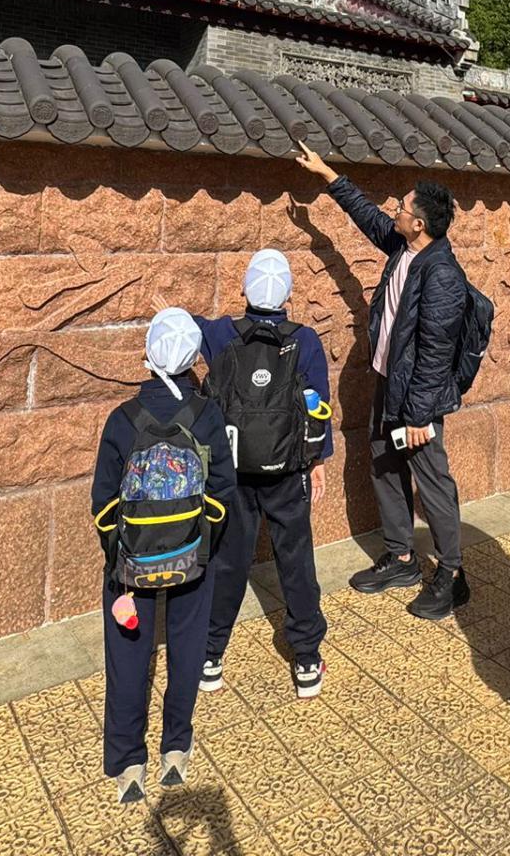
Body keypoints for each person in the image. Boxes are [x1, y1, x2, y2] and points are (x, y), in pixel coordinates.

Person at [292, 140, 471, 620]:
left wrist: (419, 416)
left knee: (432, 483)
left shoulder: (442, 275)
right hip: (389, 383)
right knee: (385, 466)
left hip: (417, 400)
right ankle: (402, 558)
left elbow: (436, 352)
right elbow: (369, 217)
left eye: (403, 207)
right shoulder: (403, 247)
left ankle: (452, 574)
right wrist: (327, 174)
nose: (396, 210)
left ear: (420, 224)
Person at [91, 308, 236, 803]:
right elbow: (222, 494)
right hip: (192, 558)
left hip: (130, 565)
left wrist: (119, 558)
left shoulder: (122, 419)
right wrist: (200, 543)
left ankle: (127, 761)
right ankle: (175, 747)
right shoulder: (206, 415)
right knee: (186, 648)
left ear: (149, 354)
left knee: (128, 655)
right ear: (193, 359)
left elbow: (103, 504)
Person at [194, 249, 334, 699]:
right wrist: (317, 461)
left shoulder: (221, 334)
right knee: (296, 560)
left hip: (232, 472)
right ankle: (307, 659)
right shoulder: (305, 340)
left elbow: (186, 328)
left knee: (228, 560)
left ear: (245, 289)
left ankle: (210, 655)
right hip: (287, 470)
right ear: (289, 295)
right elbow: (318, 404)